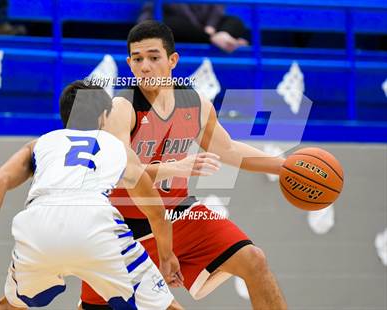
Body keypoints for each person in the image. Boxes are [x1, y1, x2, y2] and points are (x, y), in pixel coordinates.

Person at [80, 20, 287, 309]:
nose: (145, 66)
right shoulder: (122, 108)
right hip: (126, 228)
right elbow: (124, 173)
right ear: (129, 64)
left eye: (154, 57)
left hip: (180, 214)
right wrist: (175, 168)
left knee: (254, 260)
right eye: (137, 59)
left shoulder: (196, 104)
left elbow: (227, 149)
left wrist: (282, 167)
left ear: (172, 60)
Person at [0, 81, 183, 309]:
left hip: (38, 229)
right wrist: (167, 256)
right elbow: (156, 210)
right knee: (165, 305)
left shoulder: (39, 144)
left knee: (11, 304)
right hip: (96, 227)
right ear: (104, 116)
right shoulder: (118, 148)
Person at [138, 3, 248, 53]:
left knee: (235, 22)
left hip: (207, 28)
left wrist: (211, 26)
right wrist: (210, 35)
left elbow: (217, 9)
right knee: (167, 25)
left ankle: (224, 37)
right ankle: (218, 40)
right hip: (180, 31)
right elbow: (146, 21)